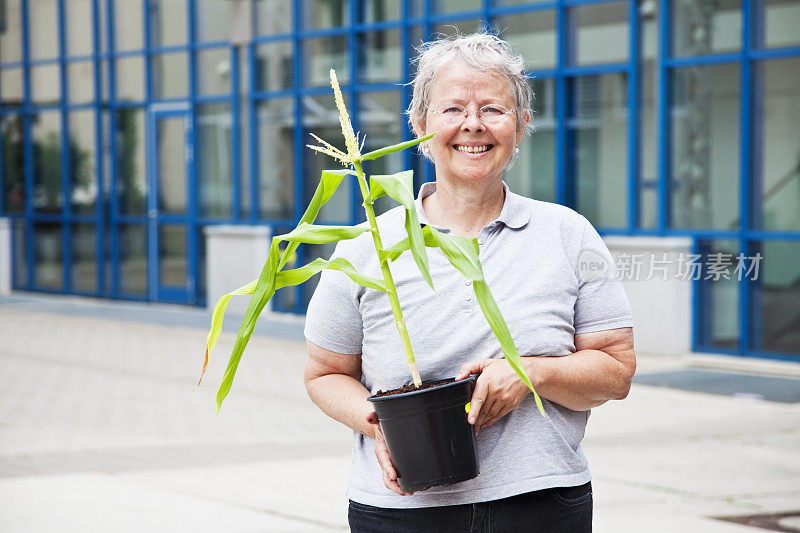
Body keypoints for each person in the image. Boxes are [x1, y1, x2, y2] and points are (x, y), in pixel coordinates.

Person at [304, 32, 635, 533]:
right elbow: (324, 374)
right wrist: (381, 428)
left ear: (521, 125)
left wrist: (530, 374)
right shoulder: (365, 247)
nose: (472, 125)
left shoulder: (569, 235)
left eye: (494, 110)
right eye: (453, 109)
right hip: (401, 512)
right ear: (419, 124)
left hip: (542, 505)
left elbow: (616, 370)